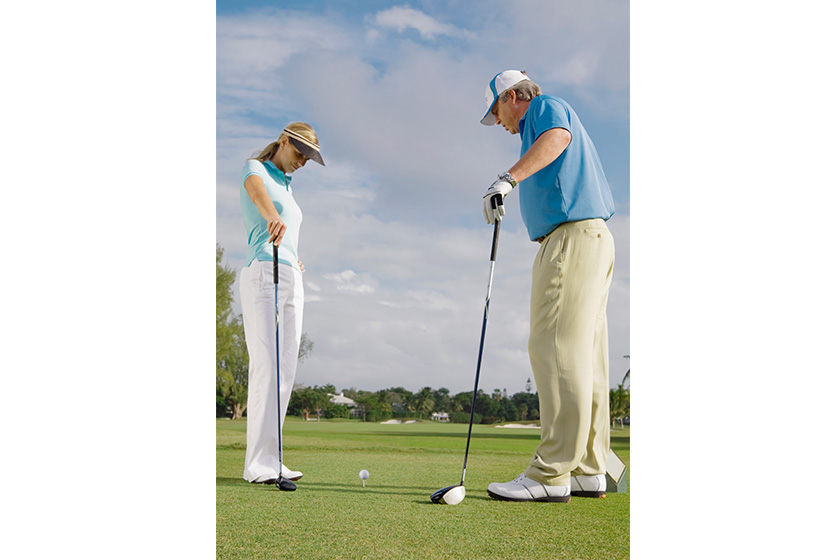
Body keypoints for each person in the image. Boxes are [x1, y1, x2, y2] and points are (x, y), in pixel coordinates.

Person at [479, 71, 616, 502]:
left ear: (512, 96)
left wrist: (506, 179)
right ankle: (588, 469)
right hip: (590, 238)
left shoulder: (543, 107)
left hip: (570, 239)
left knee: (552, 347)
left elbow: (557, 137)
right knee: (584, 355)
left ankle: (551, 472)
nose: (500, 123)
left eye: (497, 112)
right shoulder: (542, 117)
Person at [239, 122, 325, 484]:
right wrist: (271, 215)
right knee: (266, 364)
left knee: (286, 367)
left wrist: (294, 258)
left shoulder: (288, 185)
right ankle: (256, 465)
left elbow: (286, 233)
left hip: (289, 274)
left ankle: (272, 459)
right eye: (300, 153)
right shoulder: (256, 168)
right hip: (263, 271)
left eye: (309, 159)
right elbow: (256, 193)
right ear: (284, 141)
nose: (303, 163)